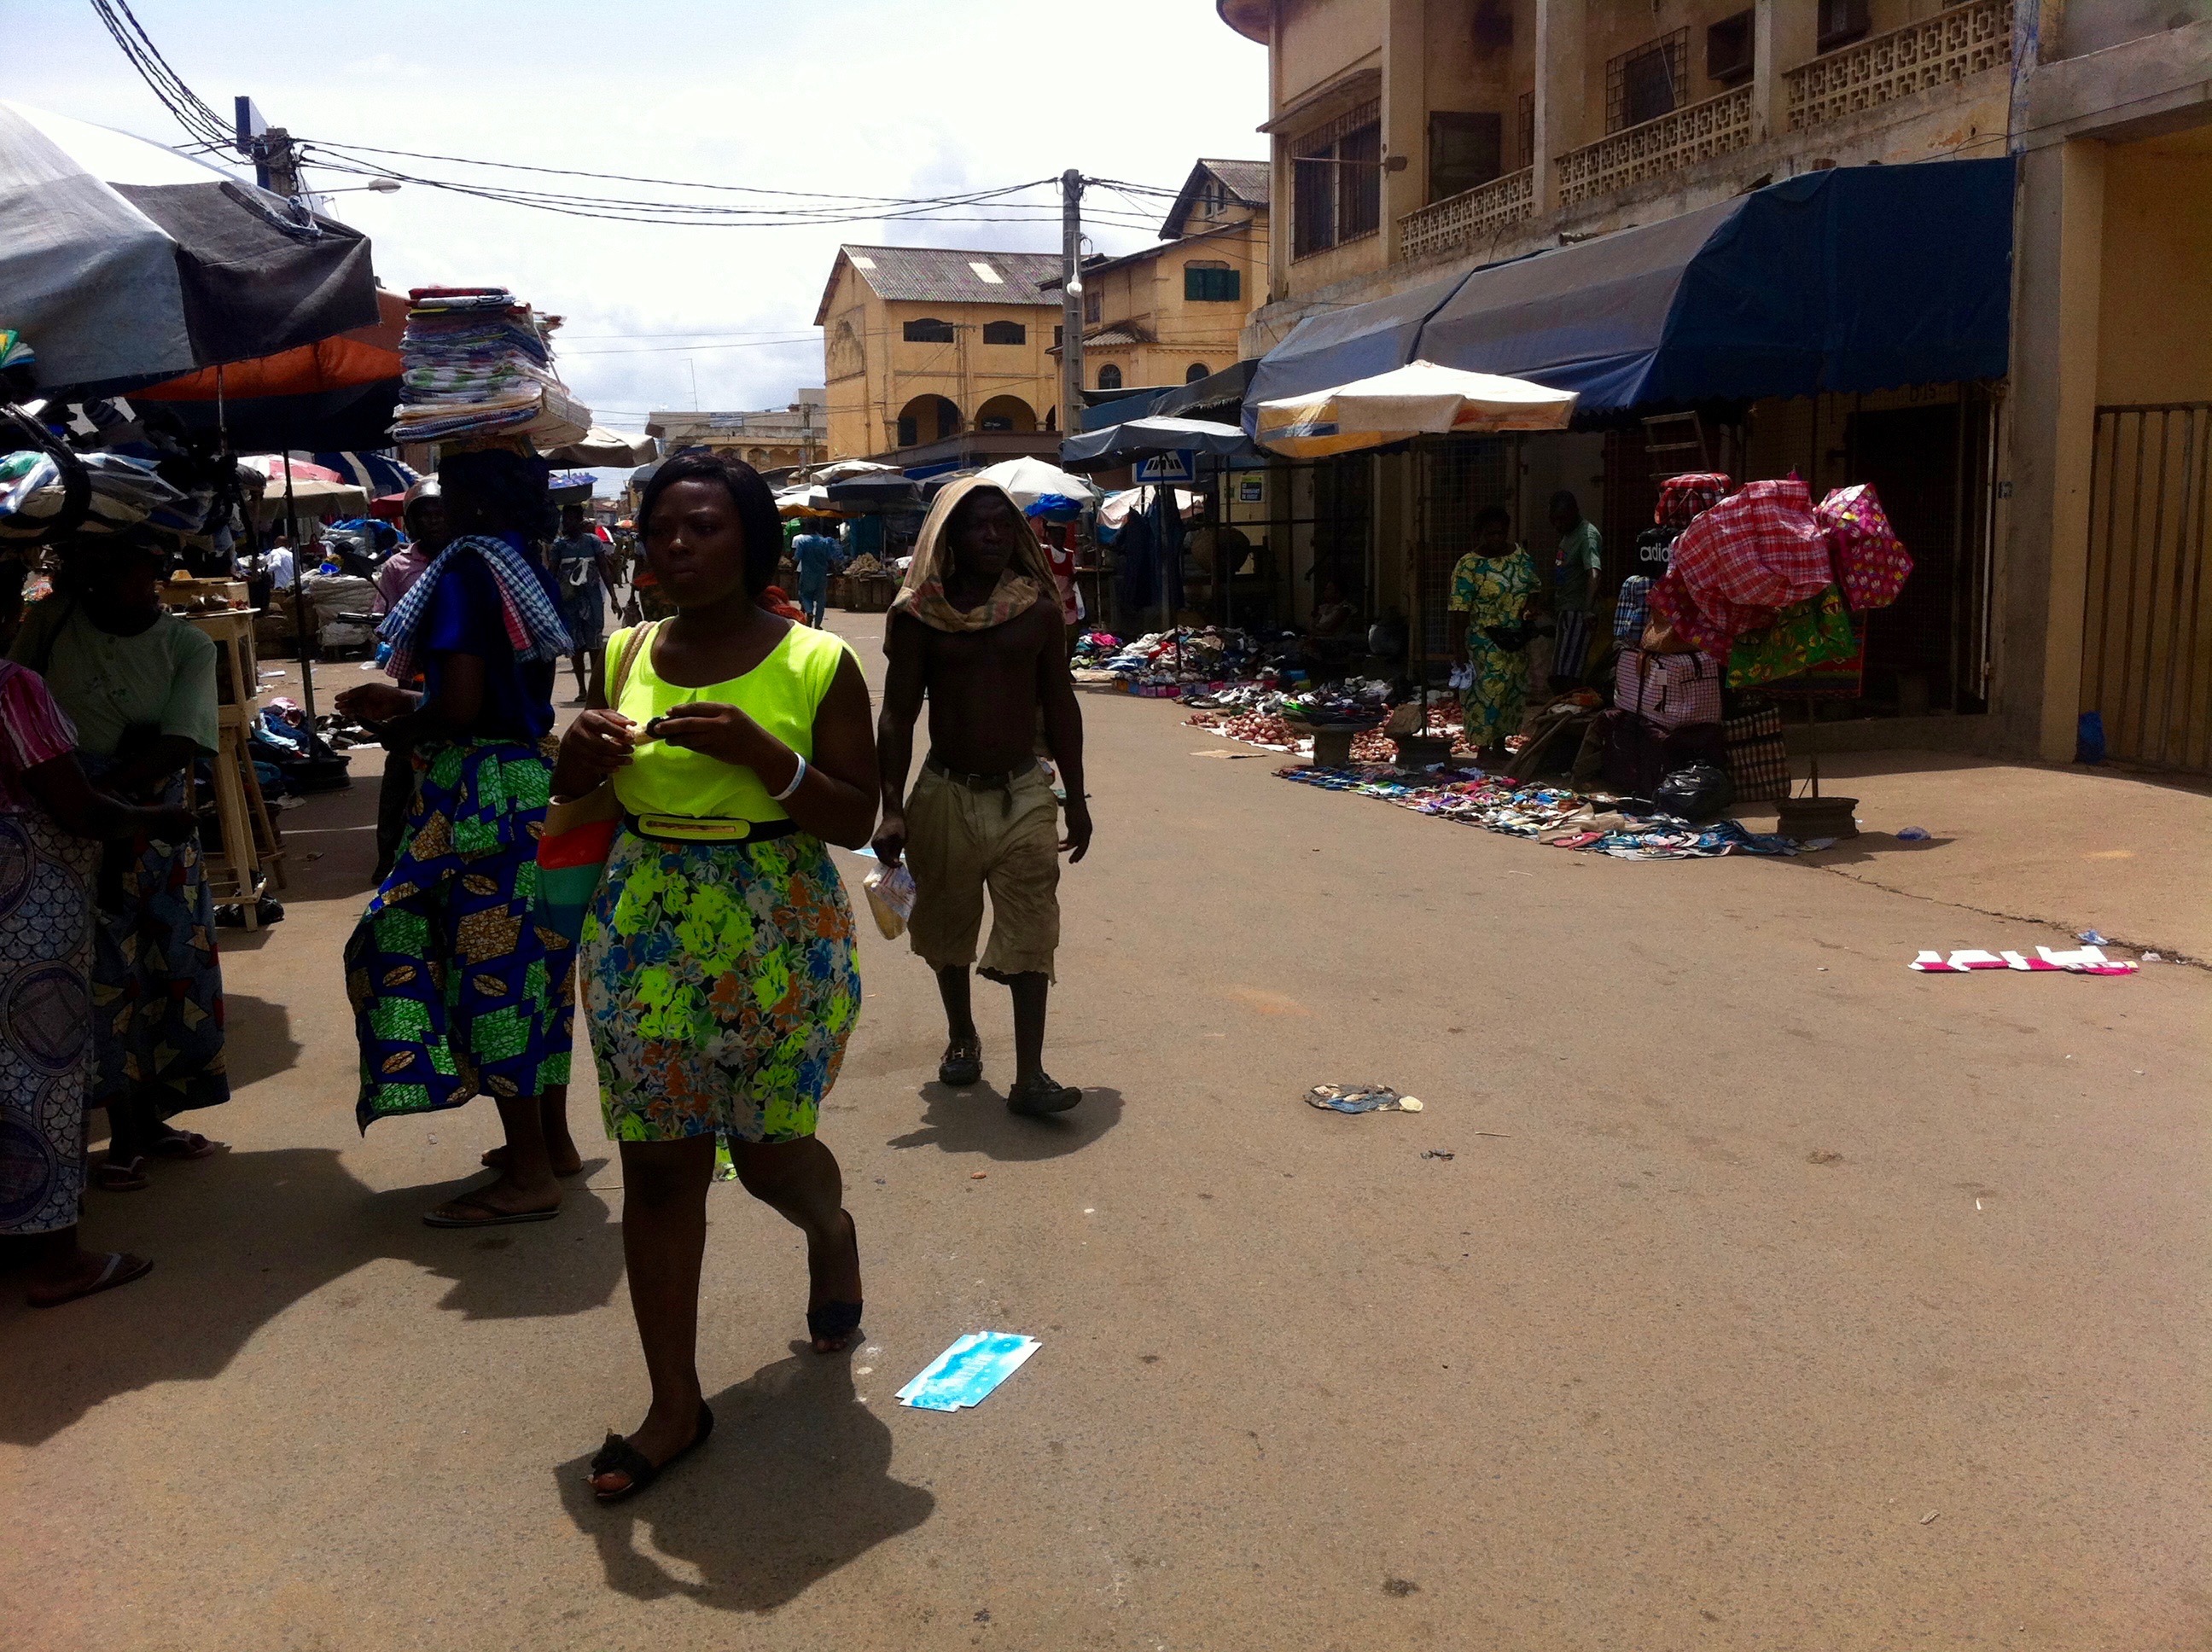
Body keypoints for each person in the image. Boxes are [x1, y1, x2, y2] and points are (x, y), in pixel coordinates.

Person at [554, 451, 877, 1502]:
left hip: (778, 923)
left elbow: (855, 817)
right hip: (643, 923)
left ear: (754, 542)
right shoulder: (618, 654)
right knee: (659, 1167)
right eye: (661, 531)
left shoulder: (818, 662)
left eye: (704, 528)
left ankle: (830, 1232)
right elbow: (586, 810)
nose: (678, 548)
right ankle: (673, 1403)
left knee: (772, 1148)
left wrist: (761, 755)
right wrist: (574, 759)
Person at [335, 447, 579, 1227]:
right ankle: (554, 1145)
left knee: (489, 973)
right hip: (529, 786)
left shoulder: (467, 574)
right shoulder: (519, 566)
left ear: (470, 505)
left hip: (477, 793)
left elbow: (463, 702)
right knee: (536, 967)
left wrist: (394, 720)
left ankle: (532, 1175)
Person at [0, 561, 197, 1303]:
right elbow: (77, 808)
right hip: (23, 902)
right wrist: (158, 820)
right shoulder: (14, 687)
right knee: (38, 1070)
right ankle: (55, 1258)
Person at [10, 535, 231, 1190]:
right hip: (67, 821)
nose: (101, 582)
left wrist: (101, 799)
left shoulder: (186, 645)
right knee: (102, 977)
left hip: (146, 826)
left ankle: (157, 1116)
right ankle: (126, 1128)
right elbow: (22, 707)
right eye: (91, 569)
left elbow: (181, 740)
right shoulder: (51, 624)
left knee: (173, 968)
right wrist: (83, 801)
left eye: (120, 568)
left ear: (153, 574)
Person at [872, 478, 1092, 1116]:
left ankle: (1031, 1077)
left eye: (1003, 525)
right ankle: (962, 1035)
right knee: (946, 928)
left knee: (1033, 927)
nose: (993, 537)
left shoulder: (1037, 612)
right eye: (978, 527)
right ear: (949, 538)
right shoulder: (920, 618)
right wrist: (891, 806)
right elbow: (898, 717)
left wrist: (1076, 797)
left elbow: (1061, 703)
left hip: (1024, 790)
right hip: (945, 791)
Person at [370, 481, 451, 883]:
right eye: (425, 514)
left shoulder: (464, 560)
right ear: (412, 520)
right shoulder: (398, 567)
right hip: (414, 675)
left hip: (456, 673)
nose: (433, 521)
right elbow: (384, 617)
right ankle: (388, 857)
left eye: (439, 512)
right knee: (402, 763)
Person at [1447, 504, 1541, 769]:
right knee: (1486, 694)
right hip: (1484, 642)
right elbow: (1458, 610)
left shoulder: (1520, 558)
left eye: (1500, 533)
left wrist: (1532, 607)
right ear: (1478, 534)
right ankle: (1484, 747)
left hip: (1515, 638)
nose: (1496, 539)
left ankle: (1500, 745)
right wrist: (1459, 650)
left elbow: (1533, 586)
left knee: (1511, 692)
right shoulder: (1468, 566)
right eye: (1489, 534)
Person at [550, 502, 615, 701]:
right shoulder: (559, 546)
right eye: (565, 519)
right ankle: (582, 689)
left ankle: (597, 688)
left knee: (595, 643)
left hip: (593, 599)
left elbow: (605, 569)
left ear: (579, 520)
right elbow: (552, 575)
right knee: (576, 645)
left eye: (570, 519)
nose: (566, 523)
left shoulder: (593, 542)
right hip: (570, 602)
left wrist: (613, 597)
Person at [1547, 490, 1604, 689]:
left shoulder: (1587, 535)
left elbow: (1594, 573)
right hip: (1566, 609)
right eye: (1554, 521)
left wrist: (1587, 609)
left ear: (1574, 512)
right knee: (1559, 671)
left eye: (1562, 519)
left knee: (1569, 675)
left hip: (1578, 613)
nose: (1558, 525)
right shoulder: (1568, 535)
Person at [789, 522, 838, 626]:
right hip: (821, 575)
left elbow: (797, 558)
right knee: (821, 599)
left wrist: (792, 571)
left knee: (805, 595)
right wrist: (834, 572)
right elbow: (830, 559)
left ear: (807, 528)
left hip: (807, 575)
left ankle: (809, 612)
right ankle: (817, 624)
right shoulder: (824, 542)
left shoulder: (803, 542)